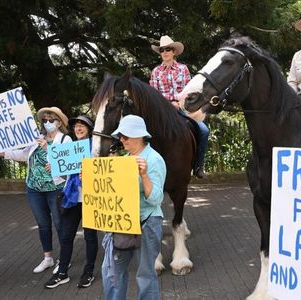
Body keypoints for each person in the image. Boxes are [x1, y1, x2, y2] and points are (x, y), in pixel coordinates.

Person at [0, 107, 72, 273]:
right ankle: (48, 258)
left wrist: (48, 148)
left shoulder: (65, 140)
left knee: (59, 223)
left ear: (59, 122)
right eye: (45, 120)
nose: (47, 123)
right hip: (34, 189)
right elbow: (22, 155)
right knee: (43, 224)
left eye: (51, 120)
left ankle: (65, 259)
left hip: (55, 189)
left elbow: (66, 162)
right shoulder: (36, 138)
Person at [101, 115, 166, 300]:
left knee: (145, 276)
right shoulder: (124, 160)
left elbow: (155, 200)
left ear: (138, 136)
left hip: (146, 223)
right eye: (120, 136)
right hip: (121, 224)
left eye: (125, 136)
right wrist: (90, 179)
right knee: (111, 273)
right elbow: (111, 191)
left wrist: (144, 175)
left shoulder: (154, 159)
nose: (121, 139)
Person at [44, 115, 98, 289]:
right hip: (72, 198)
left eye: (83, 125)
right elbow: (65, 175)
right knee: (66, 236)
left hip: (90, 198)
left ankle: (88, 272)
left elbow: (103, 172)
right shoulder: (70, 148)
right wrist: (55, 167)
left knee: (90, 236)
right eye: (76, 126)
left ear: (89, 129)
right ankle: (62, 273)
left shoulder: (96, 148)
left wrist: (89, 173)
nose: (79, 128)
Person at [149, 35, 209, 178]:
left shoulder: (183, 69)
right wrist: (168, 104)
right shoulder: (155, 72)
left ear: (174, 52)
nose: (165, 52)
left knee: (204, 131)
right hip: (162, 110)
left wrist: (178, 103)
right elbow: (154, 94)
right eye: (162, 50)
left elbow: (188, 91)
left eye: (168, 49)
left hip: (182, 108)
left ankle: (198, 166)